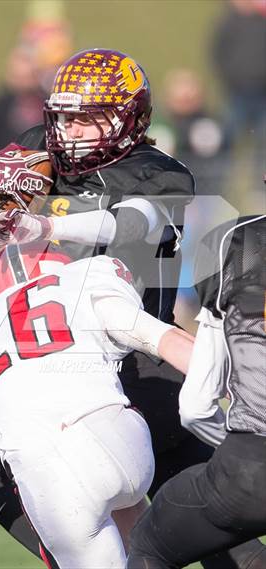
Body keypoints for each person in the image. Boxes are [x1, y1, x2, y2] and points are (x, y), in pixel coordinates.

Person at [0, 48, 261, 567]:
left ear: (129, 119)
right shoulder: (40, 148)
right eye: (64, 117)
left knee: (213, 522)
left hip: (138, 357)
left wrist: (45, 226)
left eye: (88, 118)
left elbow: (129, 224)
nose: (71, 130)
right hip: (62, 356)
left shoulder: (158, 171)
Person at [0, 244, 195, 567]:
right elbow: (168, 339)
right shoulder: (83, 284)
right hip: (125, 441)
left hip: (54, 474)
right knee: (135, 538)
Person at [128, 214, 266, 569]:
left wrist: (239, 449)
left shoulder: (238, 242)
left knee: (150, 544)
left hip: (254, 464)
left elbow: (196, 407)